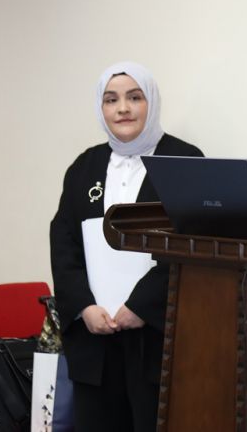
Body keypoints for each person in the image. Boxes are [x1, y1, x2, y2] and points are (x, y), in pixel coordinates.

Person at [50, 61, 203, 432]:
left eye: (135, 98)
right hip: (96, 337)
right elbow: (64, 242)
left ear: (152, 101)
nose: (123, 109)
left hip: (158, 338)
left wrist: (141, 306)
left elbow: (193, 243)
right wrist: (84, 306)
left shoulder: (184, 160)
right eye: (111, 100)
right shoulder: (83, 167)